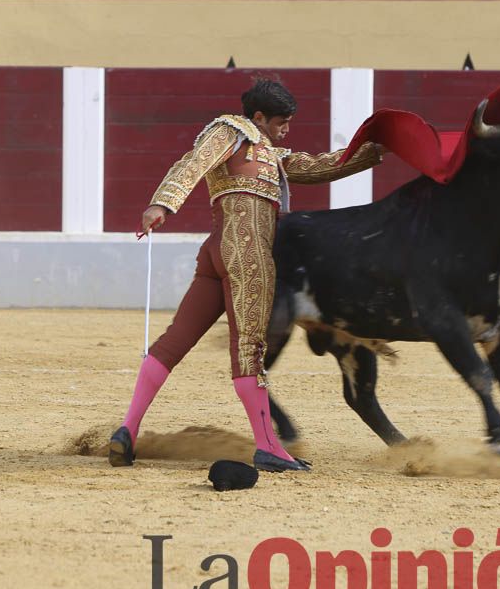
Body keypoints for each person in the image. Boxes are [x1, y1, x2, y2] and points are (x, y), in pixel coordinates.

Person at [109, 78, 386, 473]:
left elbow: (320, 165)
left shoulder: (270, 154)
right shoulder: (232, 131)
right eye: (281, 122)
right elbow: (193, 162)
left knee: (175, 342)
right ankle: (268, 445)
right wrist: (162, 204)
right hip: (247, 251)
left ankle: (127, 431)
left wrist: (374, 151)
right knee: (250, 349)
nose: (286, 129)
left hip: (217, 253)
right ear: (258, 117)